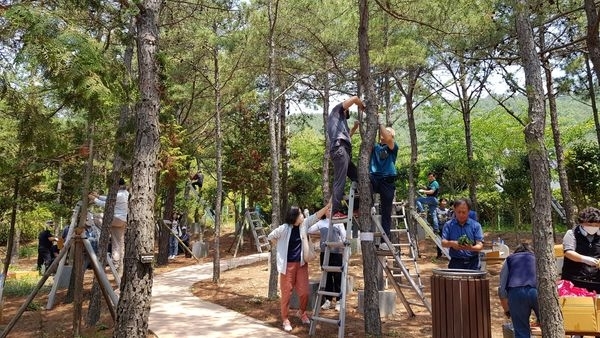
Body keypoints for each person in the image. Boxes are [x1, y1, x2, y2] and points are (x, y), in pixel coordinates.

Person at [267, 201, 331, 332]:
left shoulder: (304, 225)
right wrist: (277, 246)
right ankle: (285, 319)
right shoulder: (284, 228)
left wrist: (328, 205)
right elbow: (271, 236)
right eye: (300, 213)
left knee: (304, 293)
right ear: (294, 216)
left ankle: (301, 312)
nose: (302, 215)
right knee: (286, 295)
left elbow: (316, 216)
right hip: (287, 267)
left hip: (301, 265)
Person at [326, 96, 366, 220]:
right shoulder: (336, 110)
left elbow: (347, 136)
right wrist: (364, 107)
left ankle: (356, 208)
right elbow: (354, 98)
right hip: (340, 150)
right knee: (340, 180)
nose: (346, 113)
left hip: (344, 151)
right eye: (347, 111)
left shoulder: (341, 122)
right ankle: (335, 211)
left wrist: (354, 128)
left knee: (357, 177)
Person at [498, 243, 539, 338]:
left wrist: (507, 310)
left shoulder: (509, 259)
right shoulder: (538, 258)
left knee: (521, 331)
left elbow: (502, 290)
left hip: (516, 293)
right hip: (537, 291)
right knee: (547, 326)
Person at [89, 177, 129, 274]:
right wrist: (98, 196)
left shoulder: (118, 195)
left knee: (96, 216)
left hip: (116, 219)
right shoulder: (126, 193)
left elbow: (106, 203)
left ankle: (104, 230)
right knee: (118, 243)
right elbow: (108, 198)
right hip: (123, 220)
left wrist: (94, 200)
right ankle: (118, 264)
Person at [307, 213, 346, 312]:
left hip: (336, 253)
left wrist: (343, 250)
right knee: (327, 276)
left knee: (337, 277)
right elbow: (309, 229)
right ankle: (328, 300)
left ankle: (338, 300)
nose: (329, 211)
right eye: (328, 209)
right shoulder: (321, 222)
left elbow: (344, 237)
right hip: (324, 253)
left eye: (331, 209)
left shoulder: (339, 223)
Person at [369, 121, 398, 251]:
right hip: (374, 178)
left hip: (387, 181)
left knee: (386, 213)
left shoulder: (393, 146)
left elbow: (387, 138)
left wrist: (379, 123)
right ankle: (369, 206)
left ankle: (384, 241)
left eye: (388, 131)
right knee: (364, 182)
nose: (384, 133)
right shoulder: (375, 147)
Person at [561, 207, 600, 293]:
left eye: (596, 225)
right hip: (574, 281)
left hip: (596, 282)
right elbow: (568, 252)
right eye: (590, 225)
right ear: (582, 223)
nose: (593, 227)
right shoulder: (571, 234)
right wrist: (585, 259)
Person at [441, 198, 484, 270]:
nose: (461, 215)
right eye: (458, 212)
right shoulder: (448, 225)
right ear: (454, 210)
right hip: (455, 263)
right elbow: (443, 243)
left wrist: (470, 248)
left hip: (473, 263)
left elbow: (480, 246)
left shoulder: (476, 226)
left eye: (464, 212)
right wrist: (452, 243)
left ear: (469, 211)